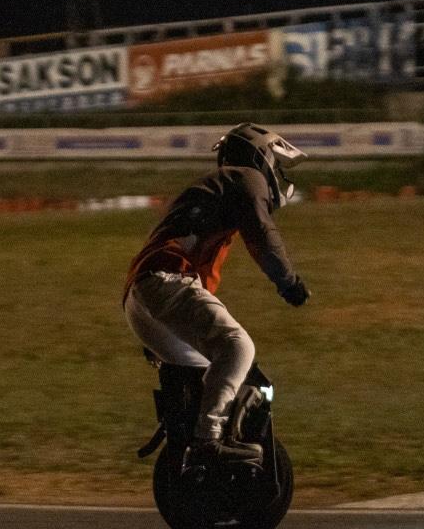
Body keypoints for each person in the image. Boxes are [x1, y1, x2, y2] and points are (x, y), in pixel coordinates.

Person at [122, 123, 309, 468]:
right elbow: (262, 234)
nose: (276, 174)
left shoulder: (213, 194)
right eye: (274, 163)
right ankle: (207, 440)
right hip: (164, 281)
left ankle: (188, 442)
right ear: (259, 156)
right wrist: (289, 282)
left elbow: (201, 275)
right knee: (238, 348)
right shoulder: (245, 178)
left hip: (142, 295)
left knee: (213, 368)